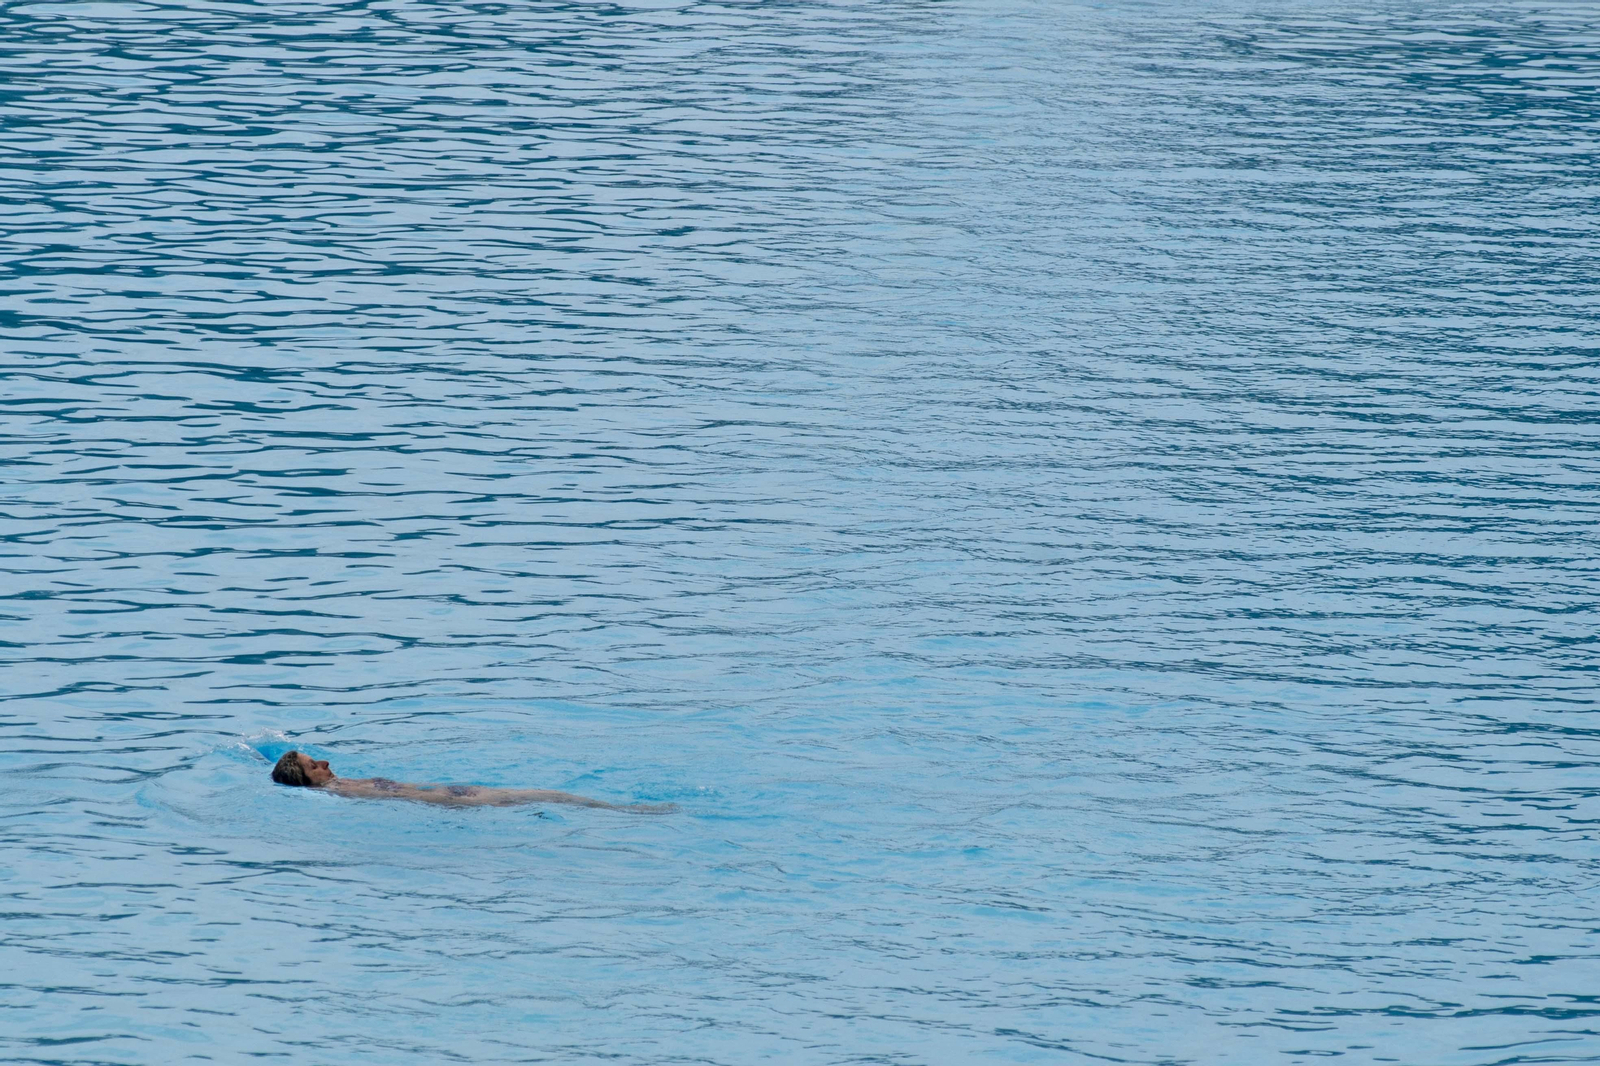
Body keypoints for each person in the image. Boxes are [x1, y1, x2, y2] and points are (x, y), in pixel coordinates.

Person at [270, 750, 674, 812]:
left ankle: (625, 810)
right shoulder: (337, 790)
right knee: (547, 795)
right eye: (314, 764)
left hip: (452, 796)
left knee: (547, 796)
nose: (325, 761)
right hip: (457, 800)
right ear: (307, 779)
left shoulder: (336, 786)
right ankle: (629, 811)